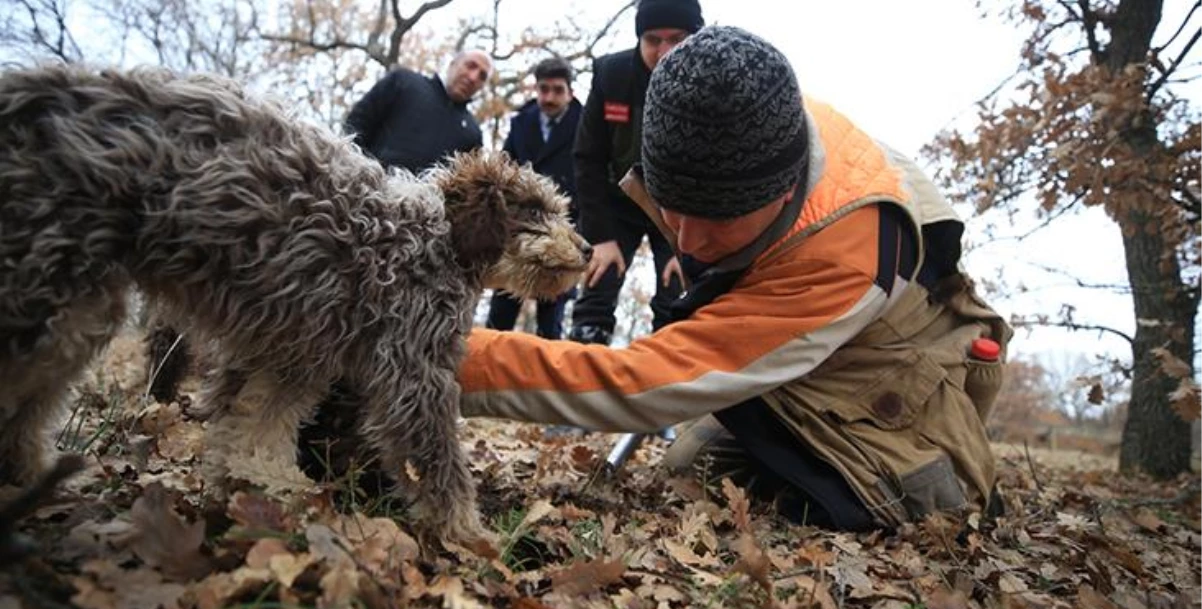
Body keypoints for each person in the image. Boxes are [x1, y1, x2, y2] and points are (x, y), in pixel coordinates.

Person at [457, 26, 1013, 532]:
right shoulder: (751, 115)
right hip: (833, 329)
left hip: (894, 368)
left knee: (855, 496)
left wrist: (451, 353)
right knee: (689, 466)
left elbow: (649, 384)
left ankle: (930, 467)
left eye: (716, 224)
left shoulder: (841, 255)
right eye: (671, 210)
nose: (689, 244)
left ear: (783, 193)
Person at [567, 0, 704, 346]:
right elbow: (588, 157)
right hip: (617, 204)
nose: (664, 51)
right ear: (640, 38)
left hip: (679, 208)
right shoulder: (611, 75)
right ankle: (583, 367)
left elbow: (716, 172)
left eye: (677, 38)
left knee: (679, 293)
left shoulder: (713, 79)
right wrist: (599, 236)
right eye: (653, 39)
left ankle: (668, 378)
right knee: (599, 281)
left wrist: (693, 247)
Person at [486, 57, 584, 339]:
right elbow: (504, 170)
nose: (549, 97)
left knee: (551, 323)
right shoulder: (521, 123)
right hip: (519, 235)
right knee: (500, 314)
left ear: (570, 92)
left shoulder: (587, 124)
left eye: (557, 90)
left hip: (565, 232)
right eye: (544, 89)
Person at [345, 49, 492, 173]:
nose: (473, 77)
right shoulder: (404, 82)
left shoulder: (473, 134)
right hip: (369, 191)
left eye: (482, 76)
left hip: (426, 205)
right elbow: (356, 126)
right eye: (470, 66)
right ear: (453, 64)